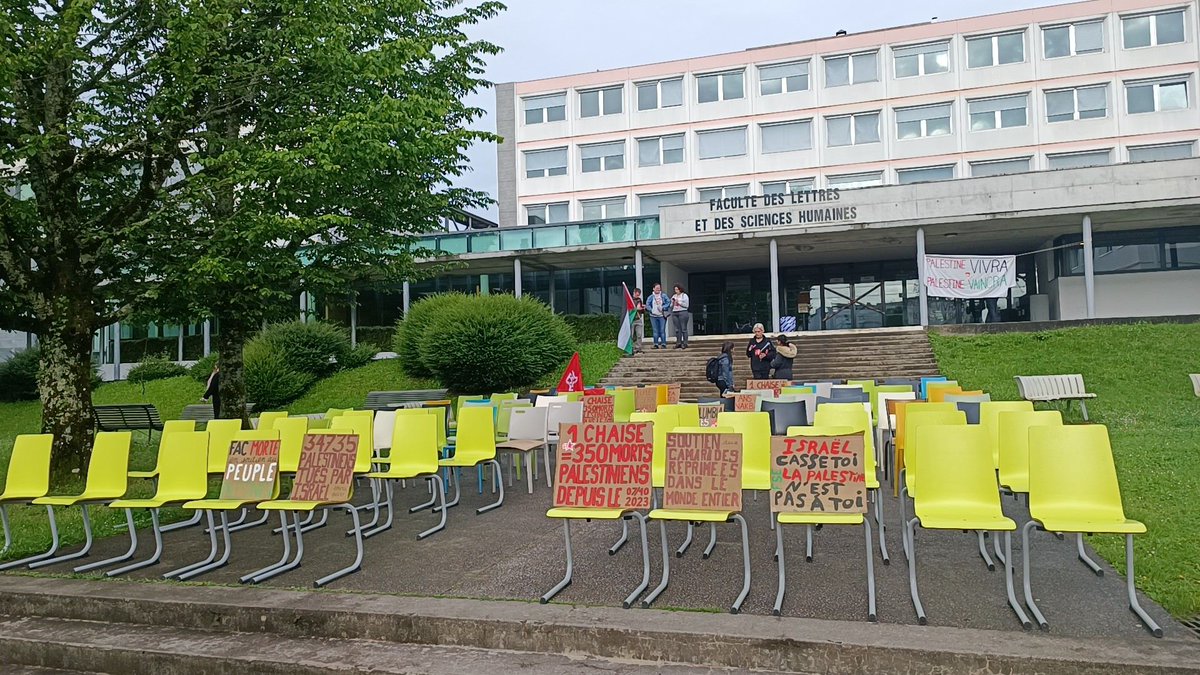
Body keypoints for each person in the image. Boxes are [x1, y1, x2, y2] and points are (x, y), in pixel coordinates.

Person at [645, 283, 669, 349]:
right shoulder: (651, 297)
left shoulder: (663, 296)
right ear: (653, 288)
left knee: (662, 330)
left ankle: (663, 343)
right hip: (653, 316)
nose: (658, 289)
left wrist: (663, 307)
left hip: (662, 315)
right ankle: (656, 344)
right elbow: (647, 305)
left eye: (659, 287)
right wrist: (651, 310)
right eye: (657, 287)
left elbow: (668, 302)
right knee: (655, 330)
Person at [670, 284, 690, 349]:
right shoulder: (674, 296)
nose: (676, 291)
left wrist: (679, 303)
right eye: (675, 289)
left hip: (683, 312)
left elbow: (686, 305)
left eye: (677, 289)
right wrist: (673, 303)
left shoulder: (684, 296)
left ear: (680, 289)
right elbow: (670, 305)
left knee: (683, 328)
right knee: (677, 329)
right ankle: (678, 342)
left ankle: (685, 343)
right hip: (675, 312)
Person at [631, 287, 645, 354]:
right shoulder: (630, 300)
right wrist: (635, 309)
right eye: (636, 294)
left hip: (638, 319)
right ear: (634, 293)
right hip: (631, 320)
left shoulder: (640, 300)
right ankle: (631, 348)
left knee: (639, 334)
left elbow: (642, 310)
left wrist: (642, 309)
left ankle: (638, 347)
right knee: (631, 335)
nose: (637, 296)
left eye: (638, 295)